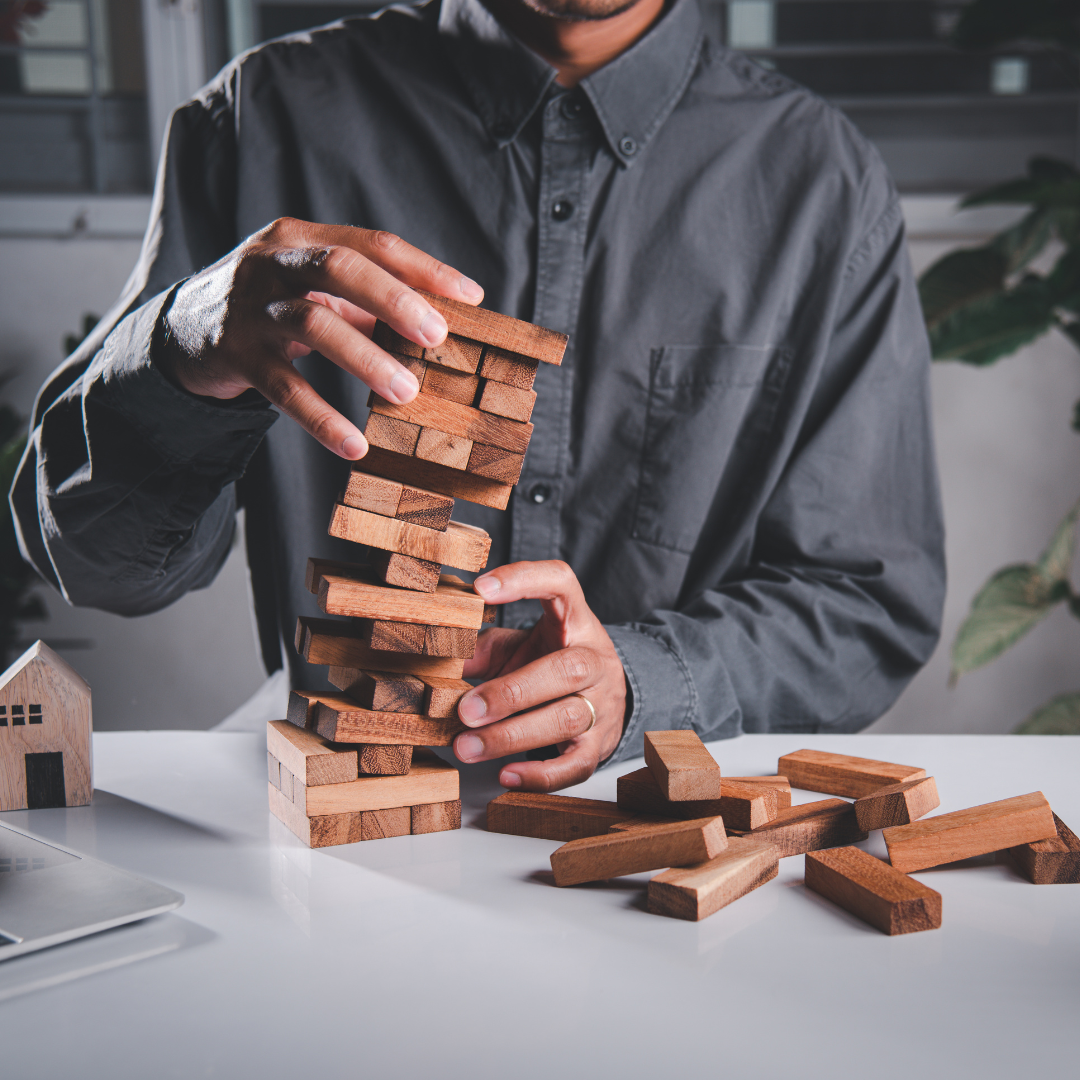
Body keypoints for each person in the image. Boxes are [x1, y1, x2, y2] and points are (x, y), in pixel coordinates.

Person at [10, 0, 945, 792]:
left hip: (665, 820)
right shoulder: (261, 116)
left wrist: (642, 680)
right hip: (335, 804)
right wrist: (184, 343)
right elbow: (94, 564)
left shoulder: (825, 181)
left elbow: (866, 603)